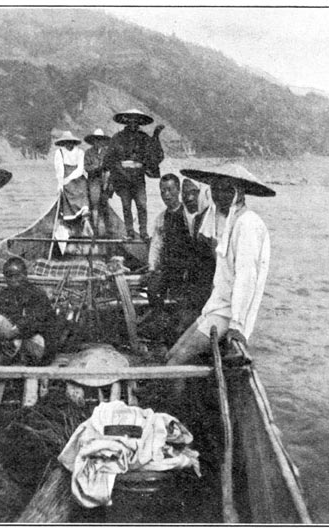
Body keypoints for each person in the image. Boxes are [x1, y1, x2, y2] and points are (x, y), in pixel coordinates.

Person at [165, 163, 274, 366]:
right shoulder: (225, 220)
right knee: (171, 354)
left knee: (176, 362)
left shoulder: (247, 224)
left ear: (238, 193)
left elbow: (246, 278)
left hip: (229, 313)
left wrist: (237, 325)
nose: (218, 195)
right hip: (217, 306)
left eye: (226, 189)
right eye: (215, 189)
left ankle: (168, 396)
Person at [144, 174, 215, 341]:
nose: (167, 195)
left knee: (185, 302)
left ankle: (180, 327)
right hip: (169, 268)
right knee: (153, 288)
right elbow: (156, 245)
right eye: (163, 191)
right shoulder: (161, 218)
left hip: (188, 269)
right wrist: (152, 268)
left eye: (170, 190)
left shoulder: (190, 215)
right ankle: (159, 320)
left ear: (178, 192)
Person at [0, 257, 57, 366]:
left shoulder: (37, 295)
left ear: (25, 275)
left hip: (38, 343)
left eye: (17, 275)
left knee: (23, 340)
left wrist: (10, 335)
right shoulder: (3, 295)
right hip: (13, 340)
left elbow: (34, 323)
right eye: (9, 276)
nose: (13, 280)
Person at [103, 109, 165, 240]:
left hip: (138, 177)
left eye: (136, 121)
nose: (133, 123)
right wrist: (120, 170)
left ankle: (143, 232)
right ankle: (130, 232)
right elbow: (109, 159)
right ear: (126, 121)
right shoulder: (117, 138)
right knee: (126, 205)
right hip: (122, 177)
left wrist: (156, 136)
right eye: (130, 120)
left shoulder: (144, 138)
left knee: (142, 204)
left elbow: (156, 155)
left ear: (139, 122)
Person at [53, 131, 91, 224]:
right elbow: (60, 170)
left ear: (73, 142)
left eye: (70, 141)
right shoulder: (59, 152)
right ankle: (71, 218)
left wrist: (70, 178)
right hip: (65, 178)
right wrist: (61, 183)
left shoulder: (80, 152)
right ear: (63, 143)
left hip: (77, 177)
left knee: (83, 188)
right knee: (66, 190)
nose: (68, 144)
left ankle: (84, 212)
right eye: (66, 142)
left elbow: (80, 169)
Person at [83, 128, 112, 234]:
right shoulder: (88, 153)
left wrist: (108, 182)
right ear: (93, 141)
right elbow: (87, 168)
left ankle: (107, 230)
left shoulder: (107, 153)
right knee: (94, 204)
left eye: (100, 140)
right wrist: (98, 167)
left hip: (105, 181)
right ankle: (94, 228)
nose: (98, 142)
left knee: (105, 205)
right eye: (96, 140)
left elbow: (111, 167)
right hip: (93, 181)